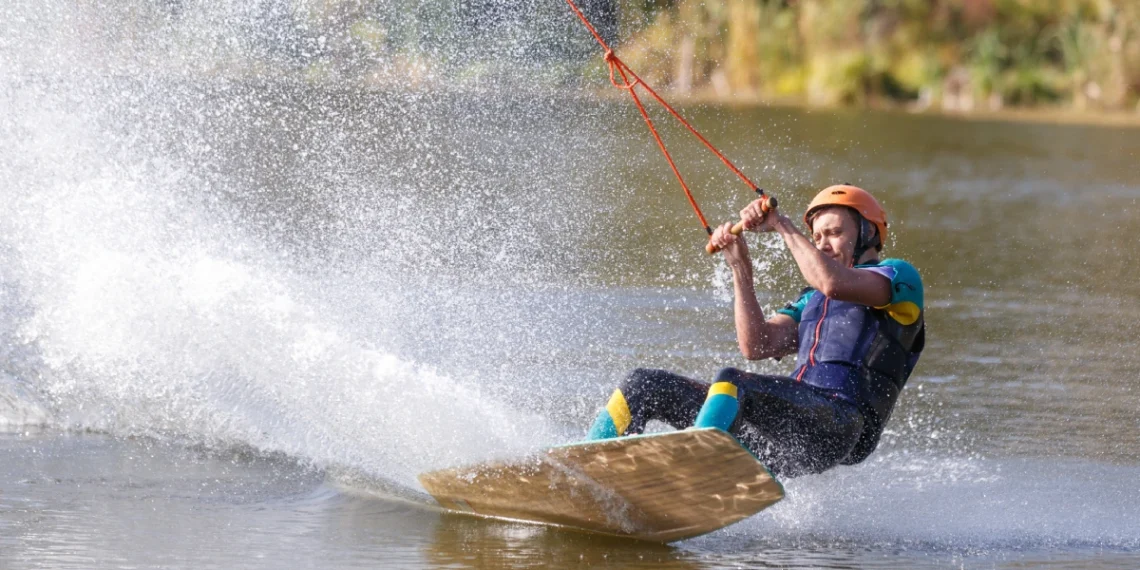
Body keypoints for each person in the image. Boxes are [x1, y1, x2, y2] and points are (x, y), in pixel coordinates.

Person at [585, 185, 925, 477]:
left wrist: (780, 223)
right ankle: (587, 467)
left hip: (841, 427)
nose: (822, 244)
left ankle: (690, 478)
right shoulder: (811, 301)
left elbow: (832, 282)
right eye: (817, 236)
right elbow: (758, 343)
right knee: (645, 384)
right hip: (787, 431)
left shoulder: (897, 277)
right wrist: (739, 266)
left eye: (835, 233)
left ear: (868, 234)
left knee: (733, 382)